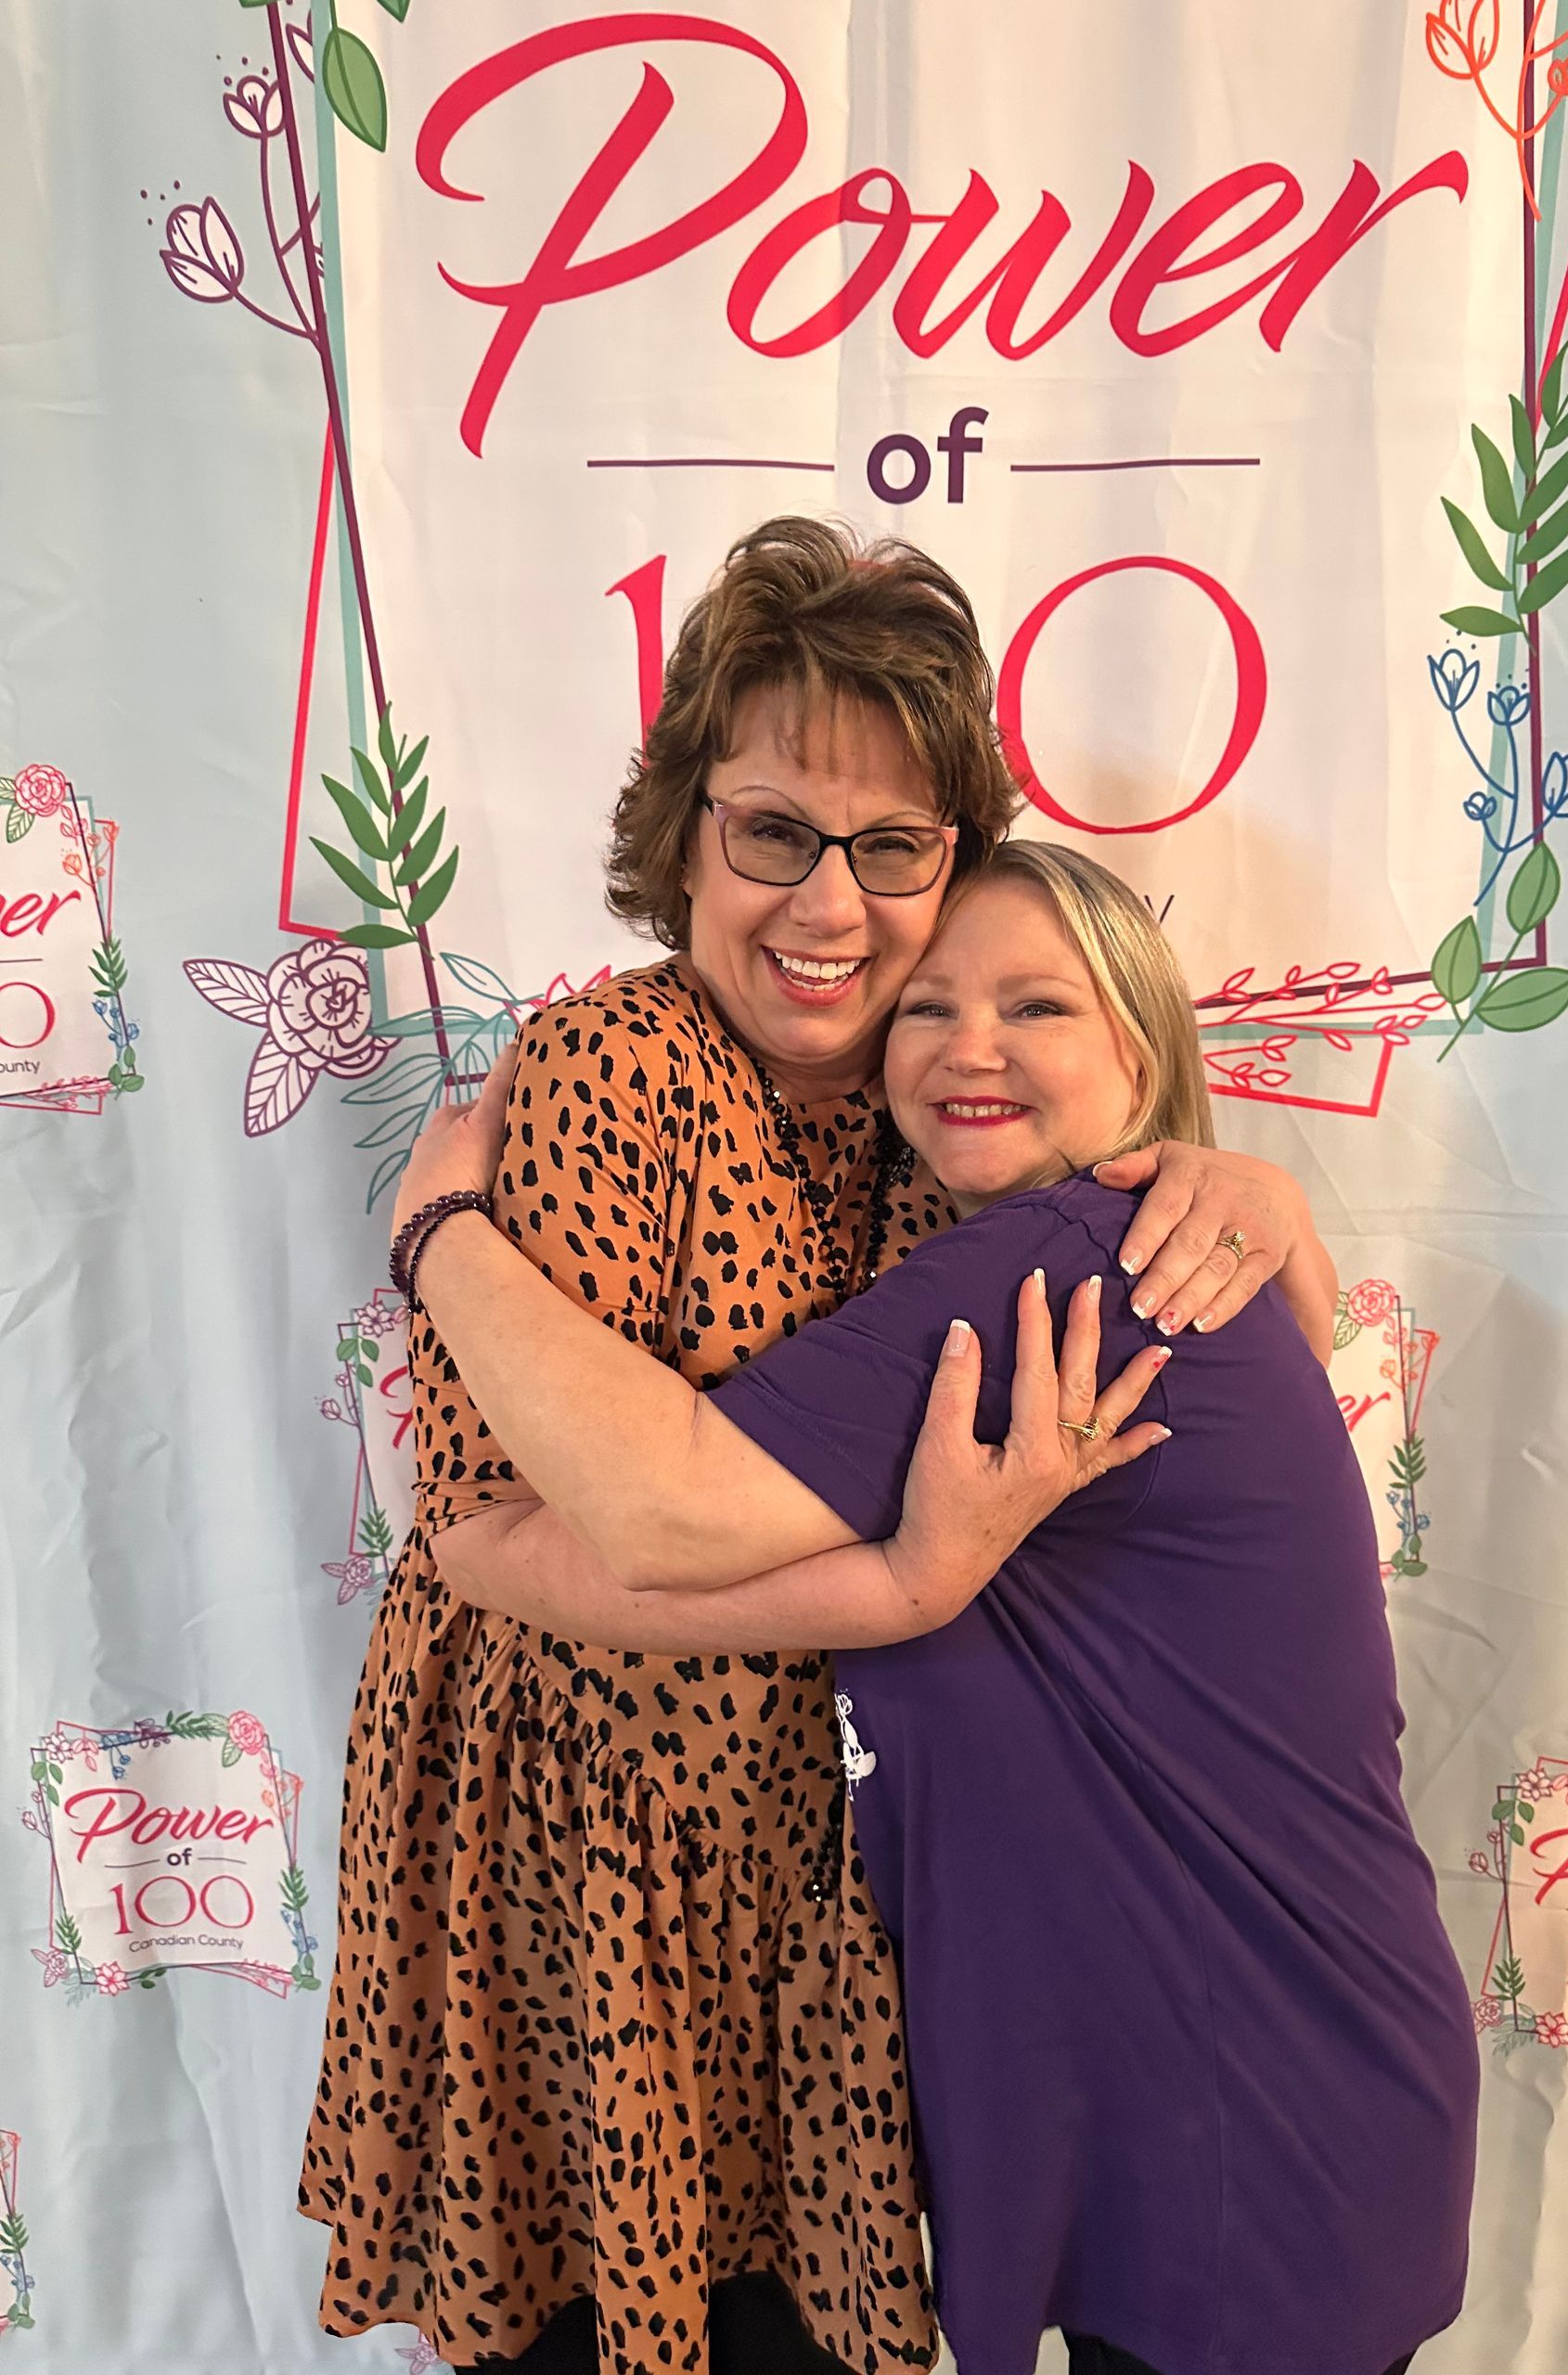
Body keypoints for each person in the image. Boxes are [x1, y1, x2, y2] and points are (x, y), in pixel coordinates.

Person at [302, 518, 1341, 2375]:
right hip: (592, 1843)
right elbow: (538, 1527)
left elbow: (1205, 1313)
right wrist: (440, 1235)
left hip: (823, 1844)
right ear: (688, 832)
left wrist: (1221, 1161)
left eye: (891, 846)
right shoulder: (605, 1070)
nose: (831, 906)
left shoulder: (940, 1097)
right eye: (776, 828)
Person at [406, 841, 1479, 2375]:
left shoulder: (1054, 1262)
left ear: (1143, 1057)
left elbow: (660, 1509)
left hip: (1252, 2105)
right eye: (929, 1008)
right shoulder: (1096, 1249)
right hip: (1262, 2073)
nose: (967, 1047)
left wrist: (440, 1248)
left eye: (1037, 1006)